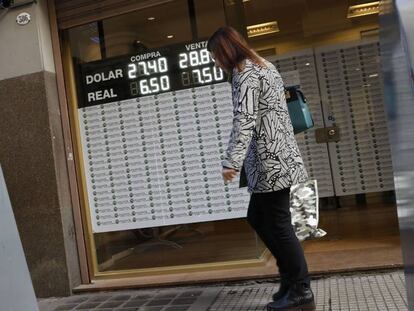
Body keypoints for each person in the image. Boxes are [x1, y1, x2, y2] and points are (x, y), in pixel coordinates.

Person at [207, 27, 315, 311]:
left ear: (225, 51)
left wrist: (231, 161)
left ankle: (300, 289)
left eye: (215, 56)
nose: (216, 63)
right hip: (278, 157)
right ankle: (290, 280)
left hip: (271, 161)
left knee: (278, 224)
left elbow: (245, 118)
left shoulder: (245, 73)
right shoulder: (265, 65)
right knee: (258, 217)